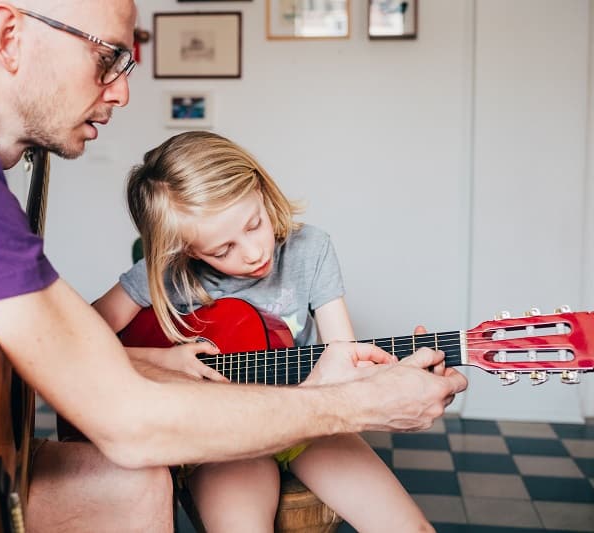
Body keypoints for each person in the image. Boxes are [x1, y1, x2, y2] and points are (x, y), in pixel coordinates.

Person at [0, 0, 467, 531]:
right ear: (8, 35)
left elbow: (15, 351)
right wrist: (352, 402)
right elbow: (128, 421)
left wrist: (141, 362)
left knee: (133, 488)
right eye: (108, 57)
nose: (119, 92)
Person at [93, 130, 433, 532]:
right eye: (223, 250)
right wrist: (163, 360)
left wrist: (397, 377)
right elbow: (76, 344)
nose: (253, 252)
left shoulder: (311, 249)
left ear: (261, 188)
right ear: (187, 251)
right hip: (222, 438)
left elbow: (346, 357)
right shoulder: (170, 274)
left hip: (311, 420)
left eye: (254, 225)